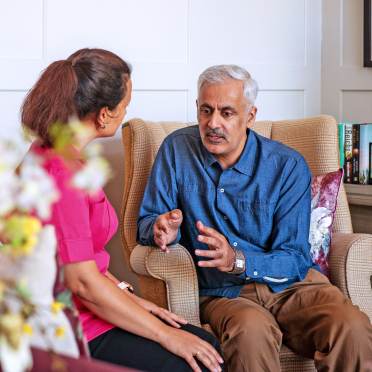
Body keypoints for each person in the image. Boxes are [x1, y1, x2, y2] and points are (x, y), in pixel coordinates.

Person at [137, 64, 372, 371]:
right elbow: (147, 222)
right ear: (196, 108)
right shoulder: (177, 151)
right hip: (224, 292)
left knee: (351, 326)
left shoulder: (286, 166)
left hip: (294, 286)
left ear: (250, 115)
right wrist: (160, 230)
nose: (213, 123)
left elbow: (294, 257)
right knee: (250, 332)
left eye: (227, 113)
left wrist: (238, 259)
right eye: (206, 111)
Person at [21, 48, 224, 372]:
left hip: (83, 308)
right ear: (104, 114)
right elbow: (83, 283)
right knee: (197, 358)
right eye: (124, 105)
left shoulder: (56, 154)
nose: (127, 111)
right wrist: (164, 335)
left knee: (204, 345)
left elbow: (81, 260)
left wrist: (135, 300)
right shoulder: (62, 176)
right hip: (71, 326)